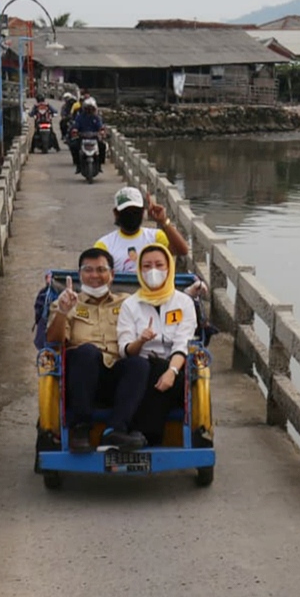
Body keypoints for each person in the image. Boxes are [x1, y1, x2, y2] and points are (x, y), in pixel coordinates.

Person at [45, 248, 149, 452]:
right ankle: (81, 428)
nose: (94, 276)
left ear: (112, 275)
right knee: (87, 352)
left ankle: (115, 431)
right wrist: (63, 312)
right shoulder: (66, 302)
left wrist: (190, 295)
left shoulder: (128, 302)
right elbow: (54, 340)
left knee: (140, 364)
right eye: (88, 270)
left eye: (101, 270)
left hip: (117, 377)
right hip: (80, 377)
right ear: (79, 274)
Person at [117, 243, 198, 446]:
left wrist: (172, 371)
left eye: (159, 265)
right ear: (139, 270)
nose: (153, 271)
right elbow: (125, 349)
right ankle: (148, 436)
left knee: (171, 371)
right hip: (141, 369)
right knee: (147, 368)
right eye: (147, 266)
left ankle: (142, 434)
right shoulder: (130, 305)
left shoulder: (184, 302)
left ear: (169, 268)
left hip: (176, 367)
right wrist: (141, 340)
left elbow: (183, 342)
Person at [94, 186, 189, 274]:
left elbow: (182, 250)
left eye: (136, 211)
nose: (131, 215)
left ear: (143, 211)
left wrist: (163, 221)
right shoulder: (104, 245)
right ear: (116, 213)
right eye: (126, 212)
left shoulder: (156, 237)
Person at [68, 97, 106, 173]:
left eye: (91, 108)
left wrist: (102, 131)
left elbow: (100, 126)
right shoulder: (80, 117)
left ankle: (99, 164)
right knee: (73, 146)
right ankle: (78, 165)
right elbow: (76, 125)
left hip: (94, 138)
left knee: (102, 146)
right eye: (88, 108)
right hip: (82, 137)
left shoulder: (96, 117)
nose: (89, 110)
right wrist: (75, 130)